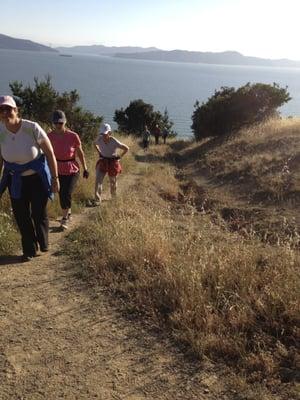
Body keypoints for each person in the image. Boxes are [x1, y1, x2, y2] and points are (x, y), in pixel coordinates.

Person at [0, 95, 59, 262]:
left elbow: (49, 153)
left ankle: (43, 240)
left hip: (36, 179)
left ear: (16, 110)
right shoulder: (0, 132)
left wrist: (55, 178)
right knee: (21, 215)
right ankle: (29, 249)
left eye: (8, 109)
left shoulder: (31, 127)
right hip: (15, 180)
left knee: (38, 212)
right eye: (1, 110)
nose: (5, 112)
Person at [48, 110, 89, 230]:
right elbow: (46, 153)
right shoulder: (49, 136)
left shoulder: (73, 136)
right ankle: (68, 212)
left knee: (67, 192)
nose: (58, 125)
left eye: (61, 122)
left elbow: (80, 153)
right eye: (56, 122)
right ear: (53, 123)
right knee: (62, 193)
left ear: (65, 122)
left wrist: (85, 168)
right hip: (57, 169)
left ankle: (64, 219)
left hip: (72, 169)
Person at [94, 123, 129, 204]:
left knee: (112, 181)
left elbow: (126, 148)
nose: (103, 135)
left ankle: (113, 198)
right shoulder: (99, 139)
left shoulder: (114, 141)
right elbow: (94, 144)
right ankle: (97, 199)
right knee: (98, 180)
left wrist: (120, 157)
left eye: (105, 133)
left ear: (110, 133)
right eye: (102, 133)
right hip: (103, 161)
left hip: (112, 162)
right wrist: (99, 151)